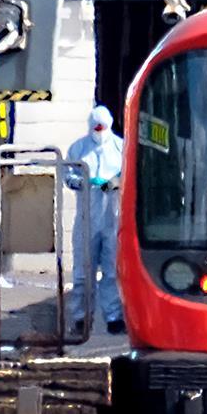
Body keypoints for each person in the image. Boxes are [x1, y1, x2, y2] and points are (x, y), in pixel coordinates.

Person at [65, 105, 125, 335]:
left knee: (112, 271)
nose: (99, 131)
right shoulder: (78, 148)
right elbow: (68, 176)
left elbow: (129, 173)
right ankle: (81, 317)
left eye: (102, 127)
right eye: (96, 127)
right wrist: (86, 182)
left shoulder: (120, 147)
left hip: (113, 218)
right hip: (87, 219)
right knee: (82, 272)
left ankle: (114, 316)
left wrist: (114, 183)